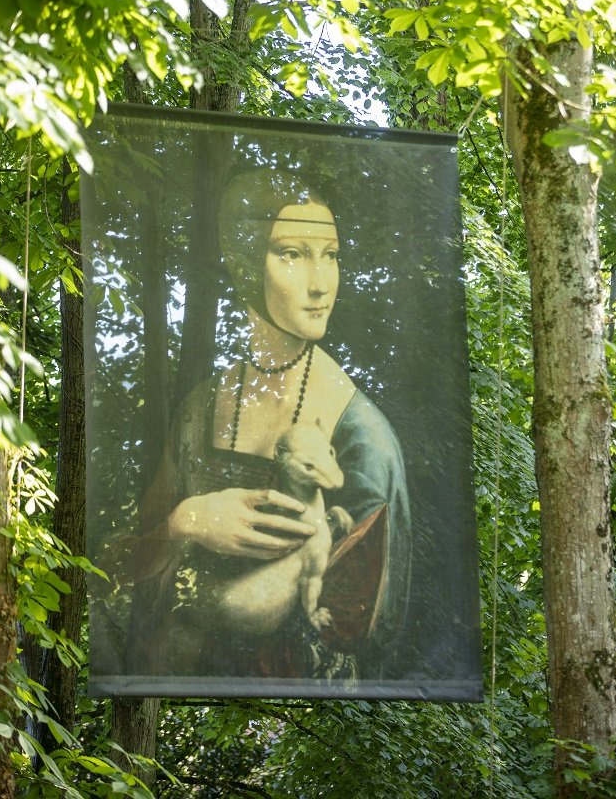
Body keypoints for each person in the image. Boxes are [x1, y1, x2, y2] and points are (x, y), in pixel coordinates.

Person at [128, 169, 411, 683]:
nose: (321, 283)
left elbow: (364, 635)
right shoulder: (200, 409)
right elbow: (122, 569)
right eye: (292, 254)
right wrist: (185, 520)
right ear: (244, 262)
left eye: (331, 255)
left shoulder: (362, 437)